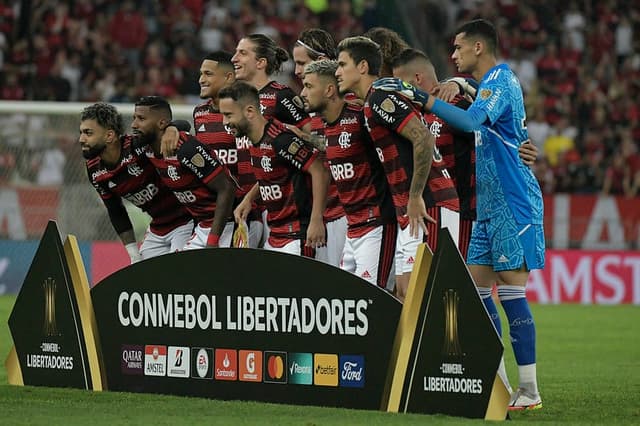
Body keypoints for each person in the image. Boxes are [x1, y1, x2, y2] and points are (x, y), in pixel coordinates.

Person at [375, 19, 545, 410]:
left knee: (512, 293)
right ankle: (499, 384)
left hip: (512, 202)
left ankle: (531, 390)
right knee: (479, 292)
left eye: (458, 49)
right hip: (487, 206)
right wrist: (459, 88)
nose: (453, 56)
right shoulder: (486, 86)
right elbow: (494, 126)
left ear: (479, 48)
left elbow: (470, 121)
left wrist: (418, 96)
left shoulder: (502, 80)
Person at [335, 36, 436, 302]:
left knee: (417, 300)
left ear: (363, 67)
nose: (337, 72)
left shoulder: (380, 97)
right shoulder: (370, 103)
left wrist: (415, 197)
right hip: (403, 213)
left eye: (342, 64)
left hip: (418, 208)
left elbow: (424, 137)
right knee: (403, 296)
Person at [301, 59, 397, 287]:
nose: (303, 93)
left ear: (329, 90)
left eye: (308, 86)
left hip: (377, 223)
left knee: (374, 300)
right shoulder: (326, 125)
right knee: (347, 300)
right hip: (352, 229)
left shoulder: (361, 116)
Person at [162, 51, 262, 248]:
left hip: (246, 212)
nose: (201, 79)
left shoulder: (247, 113)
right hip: (214, 215)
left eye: (208, 74)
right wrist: (173, 126)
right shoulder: (200, 113)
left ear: (228, 77)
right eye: (201, 74)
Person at [219, 81, 329, 257]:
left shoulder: (281, 140)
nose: (225, 122)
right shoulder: (256, 139)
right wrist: (249, 199)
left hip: (298, 236)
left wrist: (316, 220)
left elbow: (319, 171)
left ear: (249, 111)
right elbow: (273, 174)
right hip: (276, 235)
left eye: (228, 115)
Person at [80, 102, 193, 263]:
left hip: (187, 219)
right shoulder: (94, 170)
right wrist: (133, 254)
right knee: (143, 280)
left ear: (109, 136)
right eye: (81, 132)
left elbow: (185, 124)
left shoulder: (137, 145)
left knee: (176, 273)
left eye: (88, 133)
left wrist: (171, 129)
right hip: (158, 227)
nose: (81, 139)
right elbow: (115, 210)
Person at [231, 33, 312, 245]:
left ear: (260, 62)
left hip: (278, 209)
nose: (234, 58)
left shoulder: (280, 95)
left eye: (242, 53)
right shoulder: (237, 100)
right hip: (250, 204)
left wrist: (292, 132)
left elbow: (314, 138)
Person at [132, 96, 236, 250]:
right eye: (134, 118)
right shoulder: (144, 148)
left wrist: (214, 239)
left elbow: (227, 188)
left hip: (227, 224)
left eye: (141, 118)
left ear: (161, 123)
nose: (134, 124)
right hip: (200, 225)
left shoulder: (186, 149)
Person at [290, 28, 346, 267]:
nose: (296, 71)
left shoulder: (346, 104)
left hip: (348, 213)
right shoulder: (314, 106)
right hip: (327, 212)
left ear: (321, 62)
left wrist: (303, 139)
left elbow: (337, 146)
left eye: (302, 63)